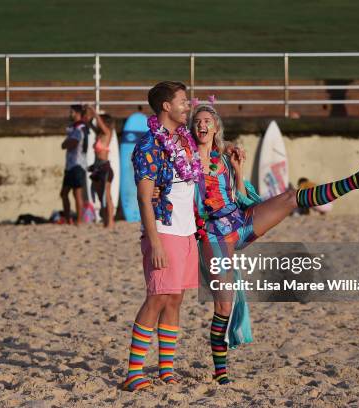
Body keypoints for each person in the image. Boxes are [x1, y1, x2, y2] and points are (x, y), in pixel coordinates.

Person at [189, 103, 359, 384]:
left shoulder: (225, 159)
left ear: (216, 127)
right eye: (197, 122)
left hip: (239, 222)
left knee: (291, 198)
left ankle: (356, 180)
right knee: (224, 307)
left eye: (207, 120)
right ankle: (221, 374)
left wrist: (239, 171)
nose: (202, 125)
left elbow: (243, 197)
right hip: (213, 235)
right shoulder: (185, 159)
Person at [122, 81, 203, 392]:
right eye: (183, 101)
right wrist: (154, 241)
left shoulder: (184, 140)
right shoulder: (148, 145)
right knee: (157, 296)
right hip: (164, 229)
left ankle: (166, 369)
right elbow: (144, 198)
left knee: (176, 297)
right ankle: (133, 372)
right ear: (166, 106)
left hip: (186, 230)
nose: (188, 105)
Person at [86, 106, 116, 228]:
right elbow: (89, 124)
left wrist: (94, 111)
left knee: (107, 196)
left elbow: (100, 123)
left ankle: (111, 222)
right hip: (97, 167)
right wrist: (87, 115)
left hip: (105, 167)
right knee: (100, 196)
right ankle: (105, 221)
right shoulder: (98, 135)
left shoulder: (107, 133)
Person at [60, 105, 89, 225]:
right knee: (64, 193)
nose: (70, 114)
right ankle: (68, 219)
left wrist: (67, 142)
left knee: (77, 194)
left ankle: (79, 220)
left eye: (71, 112)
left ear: (77, 113)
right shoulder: (73, 128)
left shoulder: (80, 128)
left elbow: (72, 143)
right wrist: (67, 142)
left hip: (78, 165)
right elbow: (64, 145)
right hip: (70, 165)